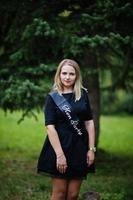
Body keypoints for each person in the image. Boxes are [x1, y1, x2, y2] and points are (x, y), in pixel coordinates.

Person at [37, 59, 96, 200]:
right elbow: (49, 127)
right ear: (59, 74)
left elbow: (89, 123)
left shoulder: (83, 94)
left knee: (73, 195)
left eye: (71, 74)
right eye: (64, 73)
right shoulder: (53, 97)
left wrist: (91, 149)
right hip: (59, 146)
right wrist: (60, 155)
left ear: (77, 76)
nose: (67, 77)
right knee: (59, 194)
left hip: (79, 147)